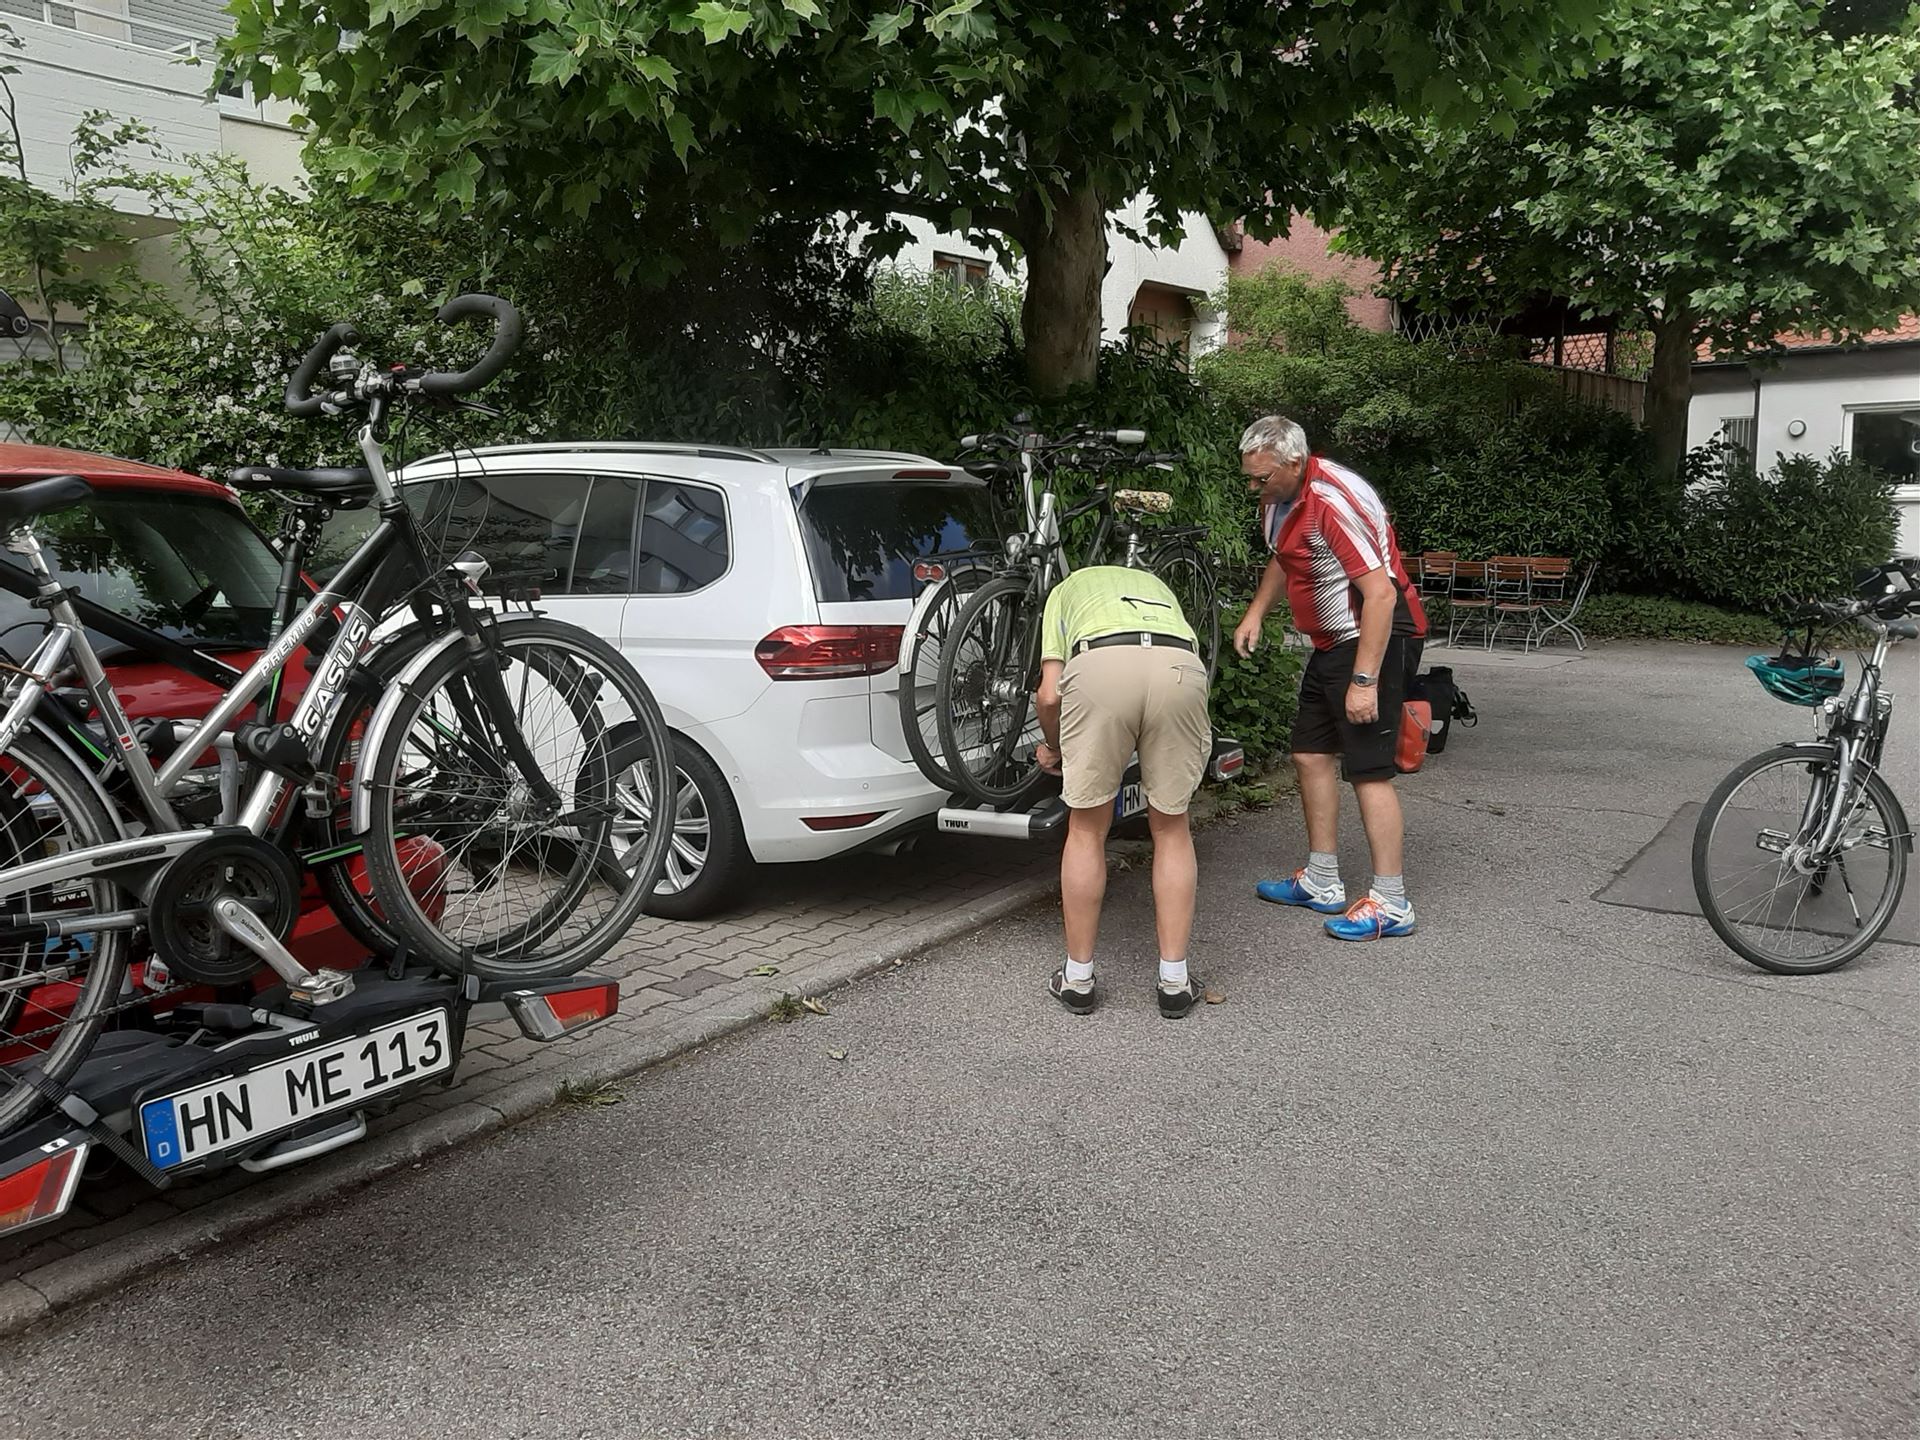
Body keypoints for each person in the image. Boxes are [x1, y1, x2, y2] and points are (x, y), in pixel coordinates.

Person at [1232, 415, 1428, 941]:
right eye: (1250, 477)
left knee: (1368, 769)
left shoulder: (1330, 502)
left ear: (1295, 463)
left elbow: (1381, 594)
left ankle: (1392, 903)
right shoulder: (1281, 496)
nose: (1254, 489)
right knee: (1310, 753)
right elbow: (1286, 559)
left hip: (1374, 637)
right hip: (1331, 642)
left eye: (1262, 478)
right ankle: (1322, 881)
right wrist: (1256, 612)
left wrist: (1364, 681)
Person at [1034, 565, 1212, 1018]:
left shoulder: (1064, 591)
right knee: (1171, 827)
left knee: (1086, 829)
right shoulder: (1156, 583)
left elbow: (1049, 696)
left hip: (1101, 667)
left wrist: (1055, 747)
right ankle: (1174, 982)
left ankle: (1077, 979)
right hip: (1179, 669)